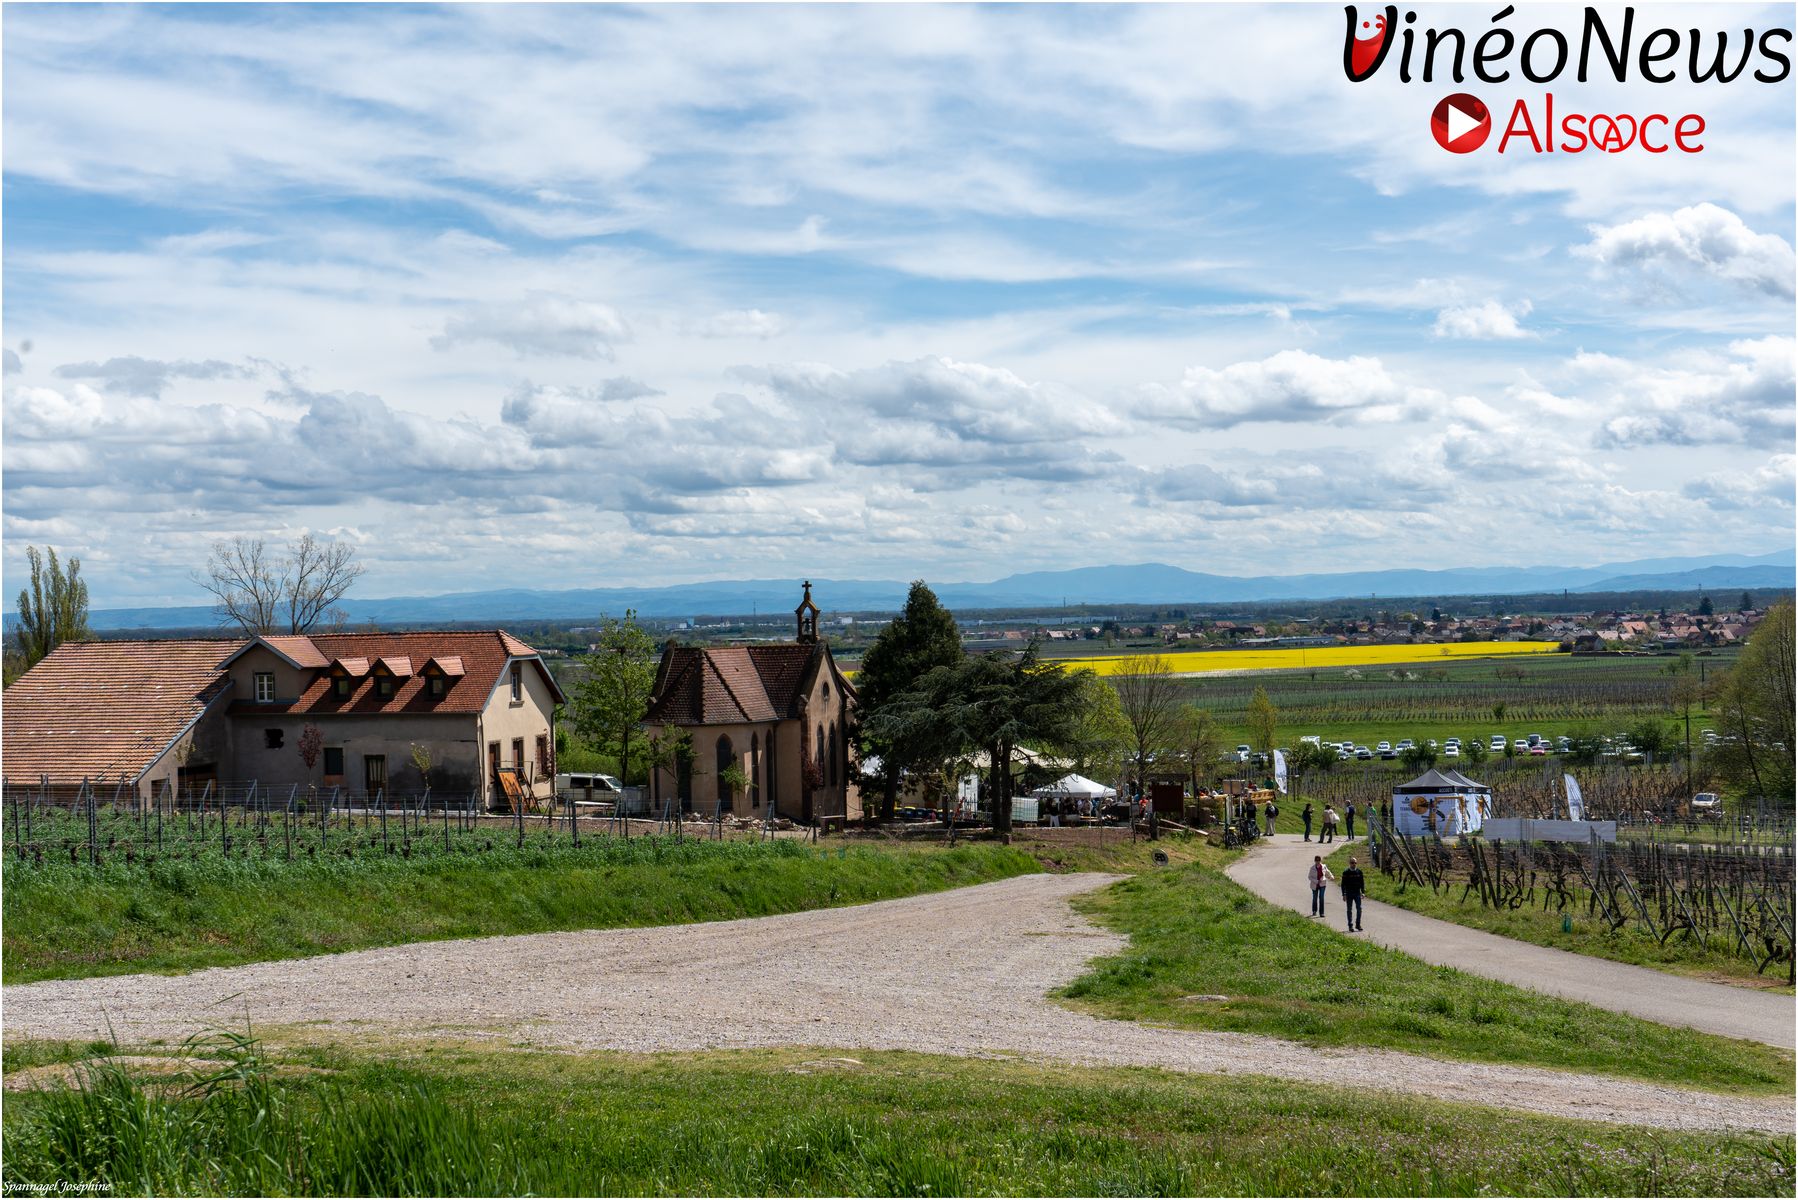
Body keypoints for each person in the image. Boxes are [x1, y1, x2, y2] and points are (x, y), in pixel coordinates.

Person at [1342, 856, 1366, 932]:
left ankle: (1358, 924)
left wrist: (1363, 892)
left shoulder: (1359, 872)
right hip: (1349, 893)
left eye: (1355, 863)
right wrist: (1344, 894)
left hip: (1357, 893)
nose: (1354, 864)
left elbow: (1362, 883)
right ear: (1349, 863)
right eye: (1352, 863)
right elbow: (1343, 884)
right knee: (1349, 910)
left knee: (1359, 909)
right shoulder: (1346, 872)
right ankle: (1350, 926)